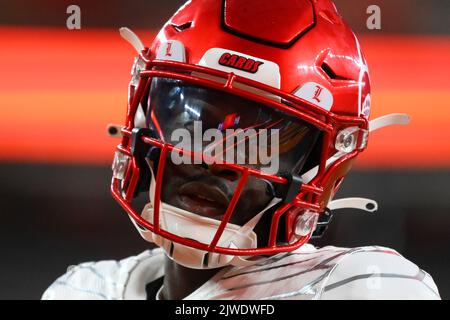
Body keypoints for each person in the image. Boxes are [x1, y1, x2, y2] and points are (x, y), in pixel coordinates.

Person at [43, 0, 440, 300]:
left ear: (323, 170)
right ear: (148, 119)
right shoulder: (84, 290)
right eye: (194, 123)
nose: (216, 160)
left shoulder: (367, 286)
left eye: (258, 143)